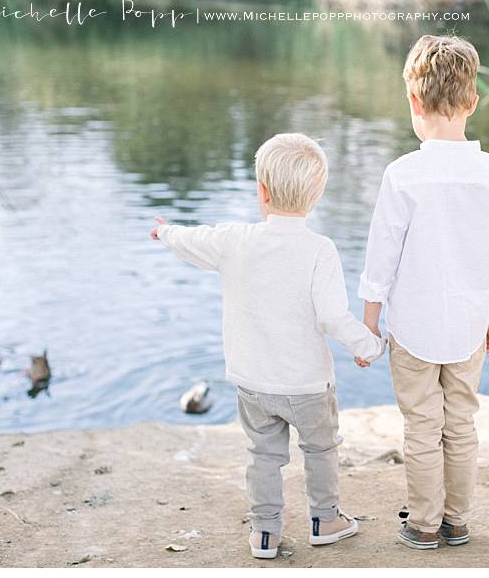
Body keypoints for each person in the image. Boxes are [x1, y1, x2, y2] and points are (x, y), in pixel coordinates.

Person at [151, 133, 386, 559]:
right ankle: (324, 519)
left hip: (253, 382)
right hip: (308, 385)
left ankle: (264, 533)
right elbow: (332, 316)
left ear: (262, 192)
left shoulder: (235, 240)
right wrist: (367, 345)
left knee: (263, 455)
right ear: (317, 195)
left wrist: (166, 233)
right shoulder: (320, 250)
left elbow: (194, 239)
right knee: (320, 450)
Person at [358, 35, 489, 550]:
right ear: (473, 103)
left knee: (423, 426)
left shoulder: (403, 174)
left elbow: (382, 255)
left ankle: (423, 524)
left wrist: (369, 320)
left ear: (413, 101)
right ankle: (458, 519)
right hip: (470, 325)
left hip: (413, 328)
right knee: (462, 422)